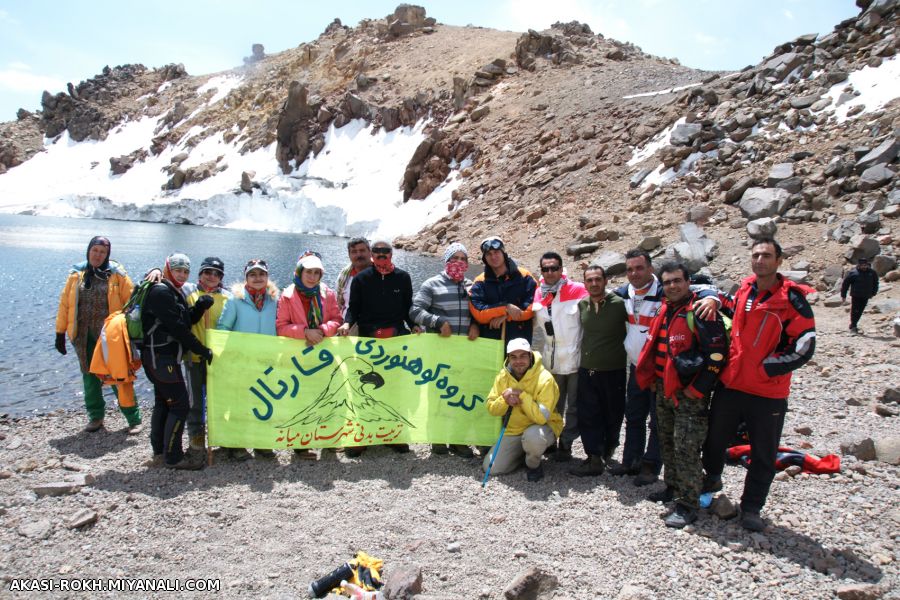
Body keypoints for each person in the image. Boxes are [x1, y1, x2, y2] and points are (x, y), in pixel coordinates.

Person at [702, 238, 816, 532]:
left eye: (766, 255)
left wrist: (768, 368)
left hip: (768, 391)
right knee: (714, 439)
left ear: (779, 260)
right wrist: (714, 298)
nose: (760, 260)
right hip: (732, 383)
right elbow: (728, 306)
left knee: (764, 453)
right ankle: (712, 476)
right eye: (755, 255)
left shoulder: (792, 299)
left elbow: (804, 345)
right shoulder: (744, 289)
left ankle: (751, 507)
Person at [613, 249, 719, 486]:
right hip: (637, 367)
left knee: (658, 420)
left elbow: (704, 289)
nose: (634, 273)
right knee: (634, 416)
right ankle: (631, 461)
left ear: (651, 269)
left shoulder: (665, 291)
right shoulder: (625, 292)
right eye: (630, 269)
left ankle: (651, 466)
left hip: (661, 371)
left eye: (639, 268)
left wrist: (713, 298)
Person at [635, 263, 727, 528]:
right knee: (666, 441)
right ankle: (672, 487)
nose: (672, 286)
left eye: (677, 281)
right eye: (667, 282)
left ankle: (689, 503)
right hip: (664, 388)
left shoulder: (701, 311)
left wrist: (697, 389)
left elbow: (717, 356)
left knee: (686, 447)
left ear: (689, 282)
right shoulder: (665, 309)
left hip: (689, 393)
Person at [55, 236, 142, 433]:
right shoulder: (76, 275)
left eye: (102, 252)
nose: (98, 255)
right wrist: (60, 332)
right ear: (88, 251)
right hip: (83, 335)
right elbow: (65, 305)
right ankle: (95, 417)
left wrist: (133, 332)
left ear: (107, 255)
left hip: (111, 336)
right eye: (95, 250)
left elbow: (133, 303)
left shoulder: (118, 276)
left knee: (118, 375)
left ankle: (133, 418)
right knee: (89, 377)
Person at [337, 241, 414, 455]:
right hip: (367, 340)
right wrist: (346, 323)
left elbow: (408, 308)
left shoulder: (403, 277)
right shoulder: (361, 279)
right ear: (372, 255)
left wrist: (415, 325)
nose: (381, 257)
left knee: (394, 389)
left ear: (391, 254)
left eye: (385, 253)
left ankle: (393, 435)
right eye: (377, 254)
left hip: (395, 340)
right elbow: (353, 309)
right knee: (363, 388)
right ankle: (361, 436)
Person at [141, 253, 214, 470]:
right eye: (177, 270)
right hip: (161, 357)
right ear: (167, 269)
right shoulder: (161, 291)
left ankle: (160, 451)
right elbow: (179, 330)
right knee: (181, 405)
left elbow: (183, 320)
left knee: (164, 402)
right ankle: (173, 457)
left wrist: (199, 307)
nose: (181, 274)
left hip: (160, 356)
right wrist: (202, 350)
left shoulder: (172, 290)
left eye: (185, 271)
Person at [410, 242, 479, 458]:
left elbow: (479, 312)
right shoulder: (432, 284)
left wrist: (477, 325)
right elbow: (414, 310)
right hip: (439, 352)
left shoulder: (472, 286)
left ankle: (458, 441)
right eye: (454, 258)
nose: (459, 262)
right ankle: (437, 438)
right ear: (446, 260)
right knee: (438, 394)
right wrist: (437, 322)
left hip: (464, 353)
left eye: (463, 259)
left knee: (461, 394)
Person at [277, 252, 343, 460]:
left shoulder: (328, 294)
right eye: (309, 272)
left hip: (324, 354)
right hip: (298, 355)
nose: (312, 277)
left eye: (317, 273)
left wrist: (323, 330)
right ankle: (300, 444)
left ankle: (329, 439)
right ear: (299, 272)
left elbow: (336, 318)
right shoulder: (287, 295)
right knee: (301, 398)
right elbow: (281, 326)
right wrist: (305, 332)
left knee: (328, 395)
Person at [217, 258, 280, 461]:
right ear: (246, 277)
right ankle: (236, 443)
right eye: (252, 274)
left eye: (261, 274)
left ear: (267, 277)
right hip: (240, 361)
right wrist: (226, 353)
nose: (257, 278)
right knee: (240, 402)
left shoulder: (275, 300)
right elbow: (223, 328)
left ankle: (262, 443)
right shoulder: (235, 300)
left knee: (264, 401)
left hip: (266, 361)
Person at [569, 264, 627, 477]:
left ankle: (609, 450)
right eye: (589, 280)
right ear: (584, 283)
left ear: (605, 281)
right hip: (587, 369)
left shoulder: (620, 304)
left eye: (597, 279)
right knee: (588, 414)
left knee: (613, 413)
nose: (594, 284)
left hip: (614, 369)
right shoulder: (582, 305)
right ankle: (593, 457)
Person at [531, 251, 588, 462]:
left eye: (554, 268)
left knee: (574, 406)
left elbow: (605, 299)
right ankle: (551, 440)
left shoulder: (579, 290)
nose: (550, 272)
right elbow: (529, 320)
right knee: (552, 404)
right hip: (550, 362)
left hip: (575, 359)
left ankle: (567, 444)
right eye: (545, 269)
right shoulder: (537, 294)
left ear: (561, 268)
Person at [483, 338, 562, 482]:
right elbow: (491, 408)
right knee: (491, 467)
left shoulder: (545, 379)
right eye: (513, 357)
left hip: (542, 428)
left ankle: (533, 465)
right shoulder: (502, 376)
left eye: (523, 356)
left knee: (534, 438)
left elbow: (541, 418)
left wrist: (522, 395)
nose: (518, 361)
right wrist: (504, 400)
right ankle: (522, 454)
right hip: (514, 431)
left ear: (530, 355)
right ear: (508, 358)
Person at [184, 257, 231, 455]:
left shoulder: (229, 297)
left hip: (219, 360)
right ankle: (196, 440)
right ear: (200, 274)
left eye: (216, 273)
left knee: (220, 401)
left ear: (221, 277)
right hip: (194, 357)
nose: (211, 276)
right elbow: (166, 280)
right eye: (207, 272)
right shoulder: (187, 292)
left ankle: (222, 439)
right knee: (195, 402)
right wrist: (155, 270)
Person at [469, 236, 537, 344]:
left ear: (503, 253)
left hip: (520, 341)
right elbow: (479, 312)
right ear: (484, 258)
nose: (493, 257)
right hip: (490, 341)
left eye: (496, 252)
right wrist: (505, 308)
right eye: (489, 254)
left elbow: (533, 306)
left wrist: (507, 316)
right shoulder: (479, 282)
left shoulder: (525, 276)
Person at [336, 237, 373, 319]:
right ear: (349, 255)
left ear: (370, 252)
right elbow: (339, 304)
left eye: (362, 251)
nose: (359, 255)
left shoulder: (382, 273)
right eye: (354, 252)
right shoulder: (344, 276)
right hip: (347, 325)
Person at [841, 257, 879, 334]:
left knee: (860, 311)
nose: (864, 267)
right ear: (859, 265)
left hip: (866, 295)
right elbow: (845, 284)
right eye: (862, 265)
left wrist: (874, 292)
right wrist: (843, 295)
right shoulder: (853, 273)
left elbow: (876, 283)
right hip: (856, 295)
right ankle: (854, 326)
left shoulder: (872, 273)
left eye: (865, 265)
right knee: (855, 310)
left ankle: (853, 324)